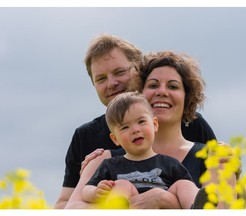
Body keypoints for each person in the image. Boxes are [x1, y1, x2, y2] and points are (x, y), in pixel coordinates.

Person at [55, 34, 216, 209]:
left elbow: (222, 193)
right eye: (101, 78)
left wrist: (163, 199)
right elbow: (66, 204)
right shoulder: (89, 140)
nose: (112, 83)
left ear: (137, 72)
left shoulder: (191, 123)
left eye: (119, 72)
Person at [82, 91, 207, 209]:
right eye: (125, 127)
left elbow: (187, 188)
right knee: (121, 185)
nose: (135, 130)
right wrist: (96, 192)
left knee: (184, 184)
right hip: (130, 207)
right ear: (115, 139)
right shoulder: (110, 165)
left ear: (155, 125)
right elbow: (85, 191)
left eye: (141, 121)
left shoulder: (170, 163)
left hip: (161, 208)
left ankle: (196, 209)